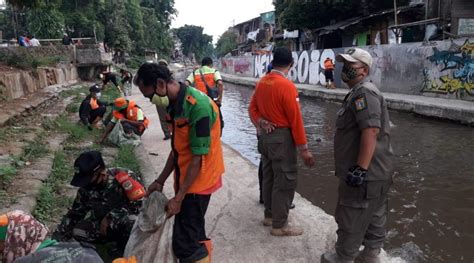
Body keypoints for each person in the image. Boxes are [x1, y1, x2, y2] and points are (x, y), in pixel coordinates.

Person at [135, 63, 224, 263]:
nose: (150, 101)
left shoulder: (198, 107)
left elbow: (197, 157)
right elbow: (178, 150)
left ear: (160, 83)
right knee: (194, 232)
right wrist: (160, 180)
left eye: (150, 96)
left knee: (184, 245)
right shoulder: (175, 105)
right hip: (187, 178)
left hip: (198, 181)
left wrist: (179, 197)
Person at [320, 48, 393, 263]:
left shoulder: (364, 93)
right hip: (378, 172)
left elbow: (370, 131)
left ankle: (343, 258)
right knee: (375, 214)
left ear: (364, 70)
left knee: (351, 215)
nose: (345, 69)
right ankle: (370, 255)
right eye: (344, 65)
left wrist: (359, 169)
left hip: (366, 174)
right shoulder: (360, 91)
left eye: (350, 66)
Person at [249, 47, 315, 237]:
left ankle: (269, 215)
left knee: (269, 177)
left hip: (265, 138)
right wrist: (304, 149)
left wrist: (260, 122)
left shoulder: (262, 83)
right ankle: (280, 225)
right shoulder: (287, 86)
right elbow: (296, 120)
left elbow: (252, 109)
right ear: (291, 65)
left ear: (273, 61)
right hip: (281, 139)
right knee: (285, 180)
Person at [52, 151, 145, 254]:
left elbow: (141, 203)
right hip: (102, 227)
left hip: (124, 222)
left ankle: (123, 248)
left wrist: (111, 216)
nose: (85, 184)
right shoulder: (85, 189)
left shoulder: (123, 177)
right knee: (77, 231)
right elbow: (74, 214)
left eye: (88, 179)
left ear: (102, 173)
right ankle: (103, 245)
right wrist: (54, 241)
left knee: (133, 222)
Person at [185, 57, 225, 132]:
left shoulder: (195, 72)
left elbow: (186, 85)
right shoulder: (214, 71)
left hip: (198, 102)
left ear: (202, 64)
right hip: (211, 101)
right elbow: (220, 84)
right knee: (219, 122)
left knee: (199, 122)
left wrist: (190, 99)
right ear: (211, 64)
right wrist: (220, 99)